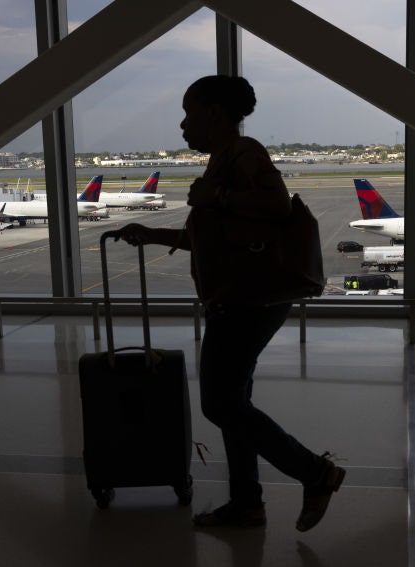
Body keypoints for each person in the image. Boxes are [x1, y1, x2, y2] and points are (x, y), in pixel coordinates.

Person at [117, 75, 344, 532]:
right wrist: (153, 235)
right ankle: (247, 504)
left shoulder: (244, 153)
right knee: (234, 403)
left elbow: (277, 206)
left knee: (220, 405)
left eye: (188, 113)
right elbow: (222, 239)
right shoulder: (225, 160)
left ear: (215, 114)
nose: (182, 126)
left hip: (247, 301)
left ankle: (315, 473)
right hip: (241, 297)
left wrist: (214, 196)